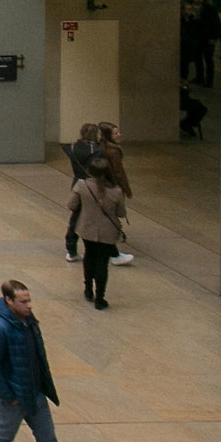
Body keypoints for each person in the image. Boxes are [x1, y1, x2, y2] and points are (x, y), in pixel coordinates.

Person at [0, 280, 61, 442]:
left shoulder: (29, 321)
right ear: (8, 300)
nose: (29, 306)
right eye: (23, 301)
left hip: (35, 393)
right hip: (14, 398)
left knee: (49, 441)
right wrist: (8, 395)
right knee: (2, 437)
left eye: (29, 300)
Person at [68, 158, 127, 308]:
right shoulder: (117, 191)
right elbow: (121, 213)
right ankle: (100, 298)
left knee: (89, 256)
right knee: (102, 263)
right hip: (108, 232)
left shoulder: (82, 185)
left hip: (87, 228)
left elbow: (72, 204)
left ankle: (88, 289)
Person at [95, 123, 136, 264]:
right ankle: (112, 251)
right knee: (111, 219)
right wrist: (126, 189)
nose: (119, 135)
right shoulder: (113, 151)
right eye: (116, 133)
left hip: (101, 185)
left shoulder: (99, 147)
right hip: (111, 186)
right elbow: (119, 172)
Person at [62, 123, 100, 262]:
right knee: (94, 218)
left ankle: (71, 249)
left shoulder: (72, 148)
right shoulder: (97, 150)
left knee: (75, 218)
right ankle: (94, 249)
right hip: (93, 185)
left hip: (78, 183)